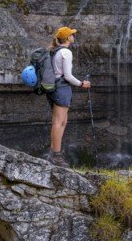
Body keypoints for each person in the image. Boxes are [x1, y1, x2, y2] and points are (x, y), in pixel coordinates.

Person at [46, 26, 91, 167]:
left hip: (54, 88)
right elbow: (68, 76)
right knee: (59, 122)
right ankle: (56, 156)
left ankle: (53, 152)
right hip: (62, 88)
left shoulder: (55, 52)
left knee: (61, 121)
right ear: (67, 38)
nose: (74, 36)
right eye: (72, 34)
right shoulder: (66, 52)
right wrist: (82, 83)